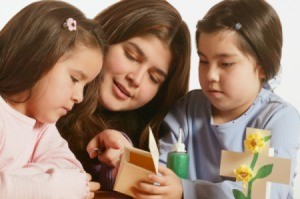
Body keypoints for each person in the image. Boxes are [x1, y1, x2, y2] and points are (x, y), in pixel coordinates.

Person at [131, 0, 300, 198]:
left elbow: (269, 191)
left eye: (226, 63)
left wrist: (186, 189)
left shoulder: (279, 118)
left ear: (262, 66)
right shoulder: (187, 108)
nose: (210, 75)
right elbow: (159, 167)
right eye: (204, 61)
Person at [56, 0, 191, 192]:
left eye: (153, 77)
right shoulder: (47, 101)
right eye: (131, 56)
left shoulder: (155, 147)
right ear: (104, 39)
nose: (136, 79)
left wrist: (125, 162)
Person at [0, 1, 105, 198]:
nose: (79, 97)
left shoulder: (43, 129)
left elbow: (74, 174)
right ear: (37, 57)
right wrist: (51, 185)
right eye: (74, 79)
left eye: (85, 86)